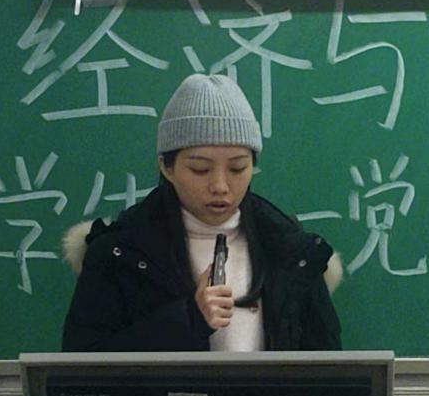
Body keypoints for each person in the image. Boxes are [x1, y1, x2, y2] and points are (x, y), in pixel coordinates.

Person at [61, 73, 342, 351]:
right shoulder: (119, 254)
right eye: (200, 169)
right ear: (167, 167)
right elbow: (83, 366)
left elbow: (330, 368)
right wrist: (188, 319)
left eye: (237, 168)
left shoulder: (293, 253)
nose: (220, 186)